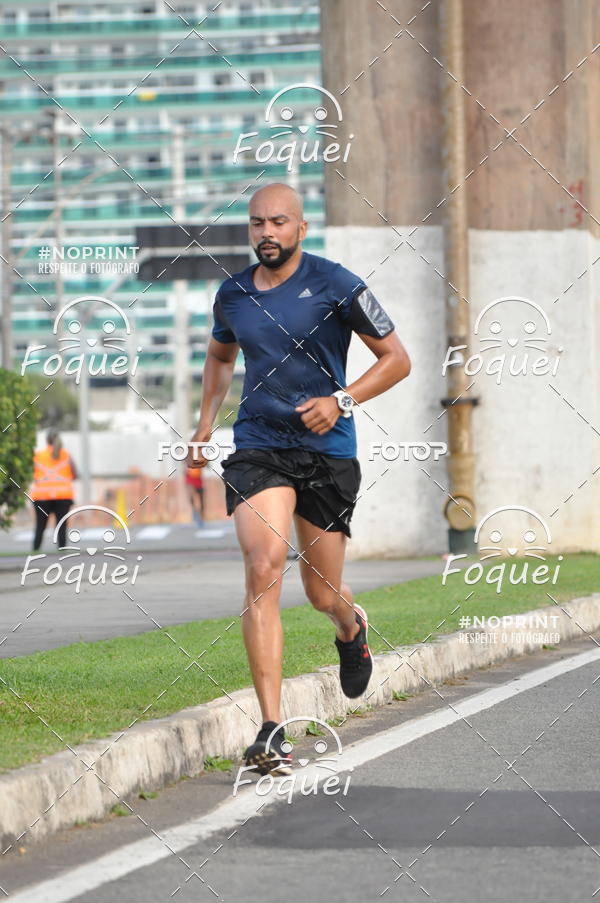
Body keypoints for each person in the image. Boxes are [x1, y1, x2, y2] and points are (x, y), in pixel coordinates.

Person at [188, 183, 411, 774]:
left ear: (301, 228)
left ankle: (350, 625)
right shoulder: (232, 294)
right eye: (257, 222)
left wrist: (341, 399)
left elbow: (397, 360)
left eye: (278, 222)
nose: (267, 232)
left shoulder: (337, 284)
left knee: (321, 593)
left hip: (327, 451)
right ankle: (270, 728)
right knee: (262, 567)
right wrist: (205, 424)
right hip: (260, 445)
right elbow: (219, 357)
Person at [30, 430, 78, 551]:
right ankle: (62, 552)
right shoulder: (66, 456)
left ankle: (35, 551)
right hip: (63, 496)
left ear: (47, 441)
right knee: (61, 526)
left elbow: (32, 474)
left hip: (42, 497)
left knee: (40, 526)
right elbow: (75, 474)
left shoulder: (38, 456)